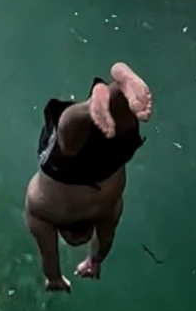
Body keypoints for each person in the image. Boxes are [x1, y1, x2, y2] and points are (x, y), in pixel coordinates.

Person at [24, 62, 153, 293]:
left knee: (117, 130)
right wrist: (54, 275)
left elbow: (104, 240)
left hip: (109, 166)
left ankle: (116, 93)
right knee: (67, 143)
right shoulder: (42, 214)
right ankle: (97, 101)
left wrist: (93, 261)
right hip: (64, 175)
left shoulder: (108, 210)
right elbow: (49, 254)